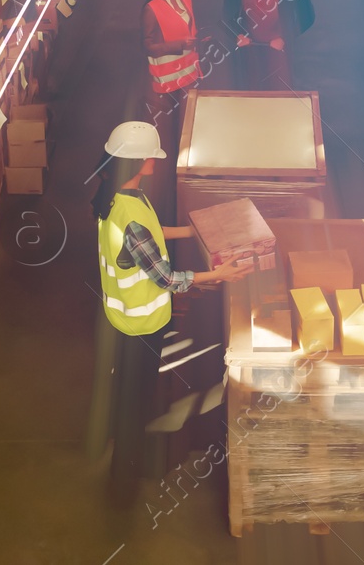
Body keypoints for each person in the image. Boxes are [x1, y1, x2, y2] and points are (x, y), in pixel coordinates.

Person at [93, 121, 251, 498]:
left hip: (125, 319)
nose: (154, 160)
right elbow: (164, 278)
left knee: (128, 393)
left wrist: (196, 231)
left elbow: (152, 234)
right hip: (141, 323)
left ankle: (123, 459)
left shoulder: (120, 197)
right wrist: (218, 274)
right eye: (151, 155)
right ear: (139, 161)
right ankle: (123, 484)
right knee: (136, 399)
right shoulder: (130, 218)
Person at [142, 0, 205, 145]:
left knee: (189, 123)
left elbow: (188, 26)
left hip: (189, 73)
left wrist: (198, 39)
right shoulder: (151, 9)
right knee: (166, 129)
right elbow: (148, 46)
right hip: (166, 80)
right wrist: (178, 45)